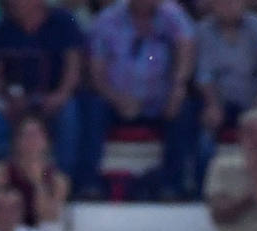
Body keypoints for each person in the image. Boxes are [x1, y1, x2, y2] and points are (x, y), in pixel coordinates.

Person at [83, 0, 196, 199]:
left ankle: (172, 186)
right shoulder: (108, 20)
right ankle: (90, 183)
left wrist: (178, 88)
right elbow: (96, 72)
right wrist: (117, 99)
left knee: (185, 109)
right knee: (93, 107)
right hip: (117, 101)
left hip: (161, 100)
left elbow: (186, 48)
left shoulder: (173, 15)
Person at [0, 0, 84, 181]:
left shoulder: (63, 22)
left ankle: (64, 180)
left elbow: (74, 64)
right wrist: (8, 96)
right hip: (14, 99)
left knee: (69, 111)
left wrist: (60, 95)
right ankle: (2, 181)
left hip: (54, 96)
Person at [195, 0, 257, 147]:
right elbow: (204, 74)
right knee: (204, 138)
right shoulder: (204, 30)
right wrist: (212, 104)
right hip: (219, 100)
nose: (229, 6)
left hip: (254, 97)